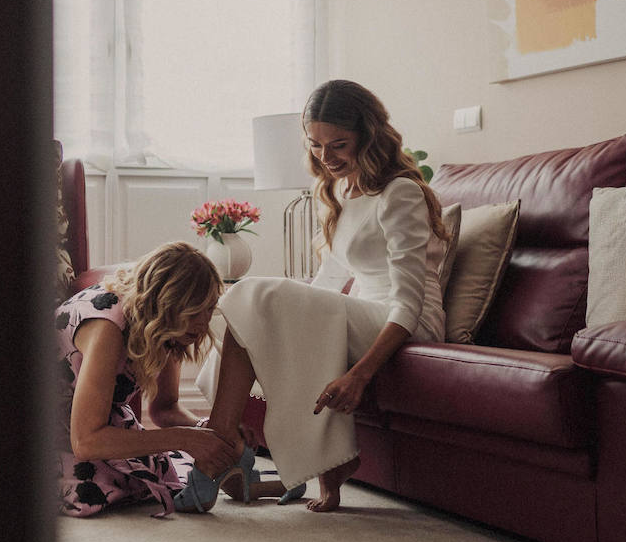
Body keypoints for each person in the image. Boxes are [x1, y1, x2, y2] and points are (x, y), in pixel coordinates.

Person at [193, 79, 452, 512]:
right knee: (256, 307)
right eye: (315, 145)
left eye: (338, 145)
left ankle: (223, 440)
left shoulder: (398, 193)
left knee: (258, 292)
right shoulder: (335, 189)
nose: (325, 157)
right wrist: (281, 320)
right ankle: (233, 434)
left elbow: (410, 304)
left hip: (405, 320)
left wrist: (360, 375)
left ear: (368, 137)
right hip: (360, 313)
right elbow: (328, 283)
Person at [57, 241, 283, 517]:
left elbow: (165, 409)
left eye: (209, 310)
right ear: (164, 302)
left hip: (91, 422)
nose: (202, 324)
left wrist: (207, 432)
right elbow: (86, 442)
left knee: (170, 465)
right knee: (100, 485)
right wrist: (185, 439)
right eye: (193, 311)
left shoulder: (162, 327)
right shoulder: (107, 329)